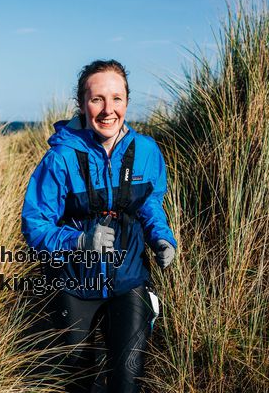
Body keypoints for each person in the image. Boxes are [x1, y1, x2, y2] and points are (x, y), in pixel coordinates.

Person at [21, 59, 177, 392]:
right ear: (81, 104)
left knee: (128, 382)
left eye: (116, 98)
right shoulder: (60, 158)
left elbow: (150, 204)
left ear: (127, 102)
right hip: (74, 285)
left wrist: (162, 239)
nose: (108, 110)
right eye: (97, 99)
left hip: (129, 279)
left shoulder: (147, 151)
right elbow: (34, 225)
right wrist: (78, 241)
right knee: (82, 383)